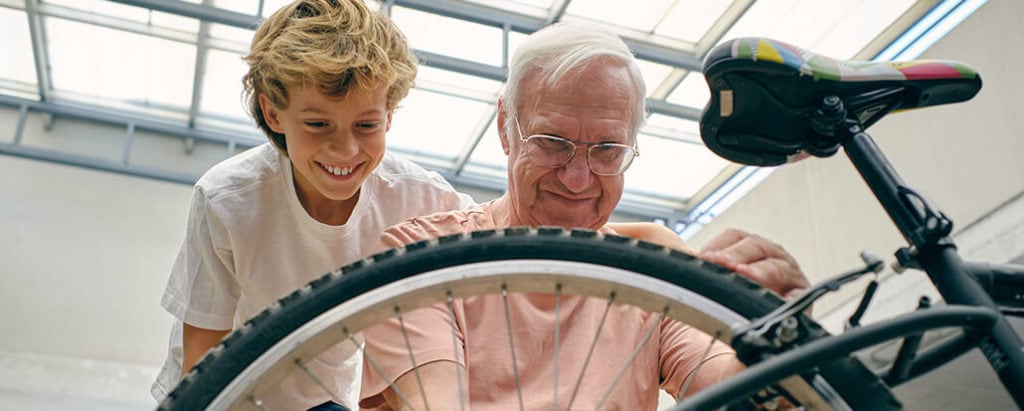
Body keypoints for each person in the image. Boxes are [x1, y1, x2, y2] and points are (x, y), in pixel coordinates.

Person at [358, 21, 809, 410]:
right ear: (505, 128)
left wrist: (784, 347)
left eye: (608, 150)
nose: (577, 178)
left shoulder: (654, 264)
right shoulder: (419, 258)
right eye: (551, 142)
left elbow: (726, 387)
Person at [149, 0, 474, 409]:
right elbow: (202, 350)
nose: (345, 149)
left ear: (389, 114)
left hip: (324, 399)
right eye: (318, 124)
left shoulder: (426, 199)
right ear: (273, 113)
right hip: (225, 391)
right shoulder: (228, 199)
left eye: (366, 125)